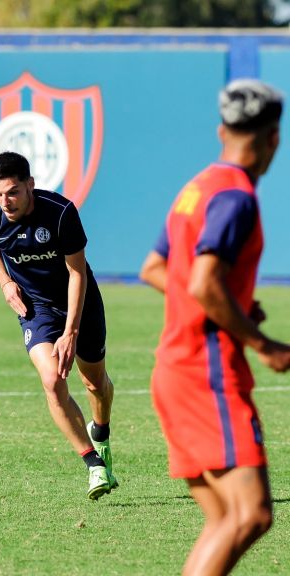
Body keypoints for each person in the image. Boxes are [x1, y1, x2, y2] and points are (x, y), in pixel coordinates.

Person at [140, 79, 290, 575]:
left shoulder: (198, 187)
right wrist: (261, 342)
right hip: (207, 374)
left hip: (174, 371)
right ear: (273, 139)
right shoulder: (238, 197)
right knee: (252, 515)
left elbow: (157, 269)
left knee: (225, 518)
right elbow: (204, 284)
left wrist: (238, 306)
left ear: (221, 130)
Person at [0, 151, 118, 500]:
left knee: (94, 382)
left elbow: (77, 272)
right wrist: (4, 281)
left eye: (13, 192)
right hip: (36, 309)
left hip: (79, 302)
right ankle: (94, 464)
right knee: (53, 380)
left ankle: (102, 432)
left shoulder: (61, 213)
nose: (5, 202)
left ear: (30, 185)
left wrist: (71, 332)